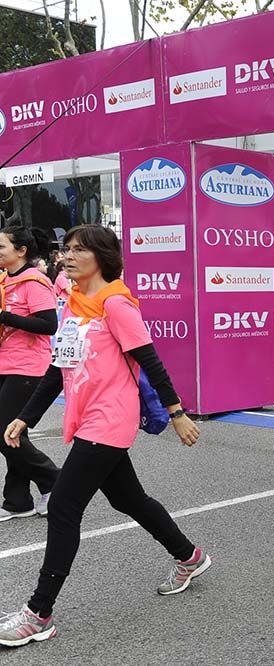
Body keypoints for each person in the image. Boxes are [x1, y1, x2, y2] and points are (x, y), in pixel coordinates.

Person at [0, 225, 206, 647]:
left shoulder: (115, 303)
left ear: (102, 256)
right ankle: (190, 557)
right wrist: (25, 417)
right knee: (128, 498)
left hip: (110, 419)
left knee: (62, 507)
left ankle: (39, 613)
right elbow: (58, 369)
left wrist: (178, 412)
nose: (68, 256)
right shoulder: (73, 304)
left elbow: (150, 360)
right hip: (87, 417)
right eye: (67, 249)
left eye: (79, 250)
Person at [0, 226, 60, 523]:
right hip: (4, 363)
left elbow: (49, 325)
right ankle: (17, 500)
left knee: (5, 431)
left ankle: (53, 480)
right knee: (12, 434)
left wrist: (6, 317)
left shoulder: (34, 281)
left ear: (21, 251)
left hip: (27, 366)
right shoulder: (3, 279)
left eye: (1, 247)